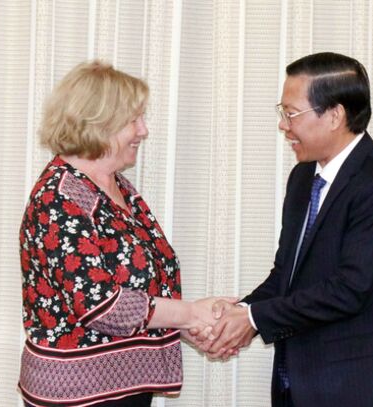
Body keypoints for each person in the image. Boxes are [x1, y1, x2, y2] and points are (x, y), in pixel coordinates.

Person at [206, 52, 373, 407]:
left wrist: (253, 318)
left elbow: (350, 289)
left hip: (365, 390)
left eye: (291, 113)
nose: (283, 125)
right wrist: (238, 313)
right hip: (301, 386)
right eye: (282, 112)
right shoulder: (303, 178)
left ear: (334, 115)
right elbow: (287, 276)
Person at [17, 61, 228, 407]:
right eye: (133, 119)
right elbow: (100, 304)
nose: (143, 130)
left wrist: (189, 327)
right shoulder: (60, 196)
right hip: (78, 393)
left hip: (123, 385)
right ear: (99, 122)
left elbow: (145, 285)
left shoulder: (116, 186)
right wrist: (191, 314)